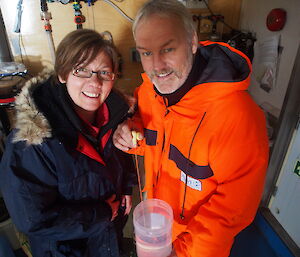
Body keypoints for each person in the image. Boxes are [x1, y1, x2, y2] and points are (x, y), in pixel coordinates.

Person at [113, 0, 269, 256]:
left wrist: (182, 252)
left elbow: (231, 211)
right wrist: (131, 134)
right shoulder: (148, 94)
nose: (157, 66)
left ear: (193, 42)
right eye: (146, 53)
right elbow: (155, 138)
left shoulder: (239, 117)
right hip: (158, 231)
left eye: (168, 49)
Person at [0, 29, 136, 257]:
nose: (95, 82)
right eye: (82, 70)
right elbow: (32, 219)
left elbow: (122, 156)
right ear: (63, 74)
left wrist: (126, 188)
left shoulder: (115, 116)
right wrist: (101, 213)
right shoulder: (32, 142)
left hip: (109, 238)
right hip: (66, 250)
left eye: (104, 72)